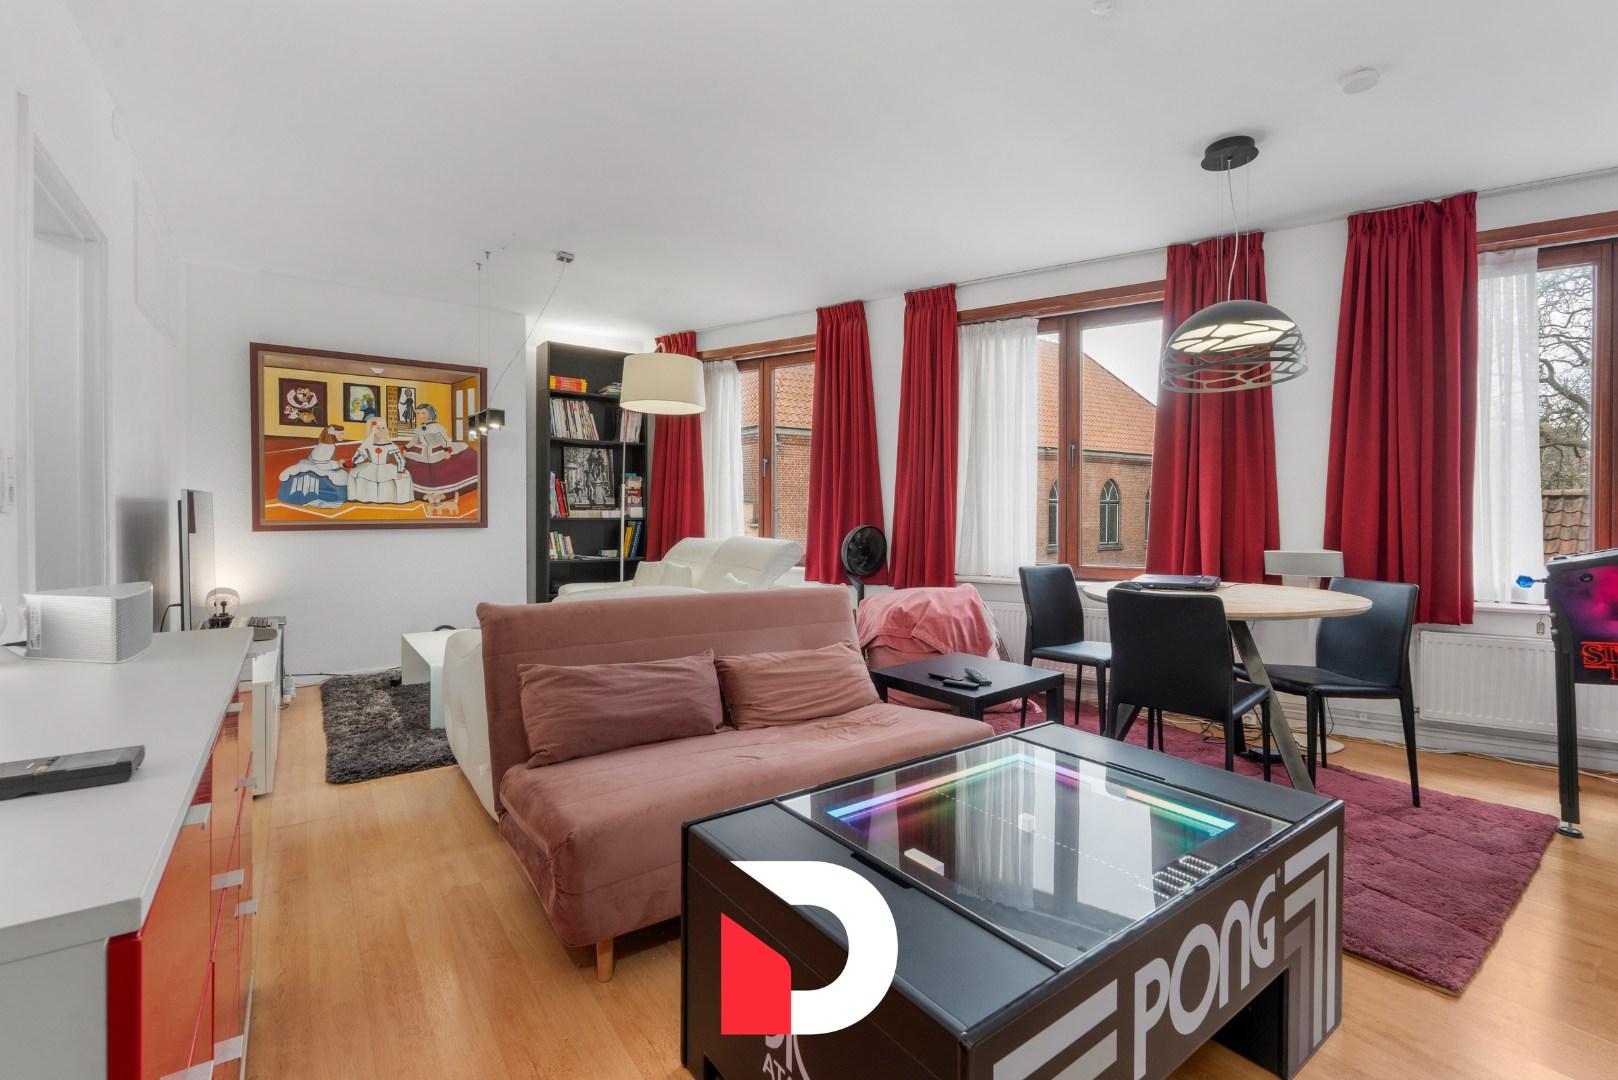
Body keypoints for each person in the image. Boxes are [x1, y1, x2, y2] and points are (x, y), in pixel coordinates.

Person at [276, 426, 349, 507]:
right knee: (342, 475)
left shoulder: (326, 445)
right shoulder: (327, 446)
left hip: (316, 467)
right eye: (341, 433)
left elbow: (323, 461)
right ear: (333, 434)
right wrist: (338, 464)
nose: (343, 436)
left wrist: (337, 463)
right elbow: (321, 465)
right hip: (316, 469)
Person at [346, 416, 413, 503]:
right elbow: (358, 458)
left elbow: (400, 459)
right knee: (358, 475)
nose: (381, 430)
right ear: (372, 430)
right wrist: (355, 459)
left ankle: (390, 500)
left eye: (383, 428)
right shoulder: (368, 445)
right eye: (378, 428)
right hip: (370, 467)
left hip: (385, 467)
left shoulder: (390, 445)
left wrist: (399, 471)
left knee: (402, 477)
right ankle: (367, 499)